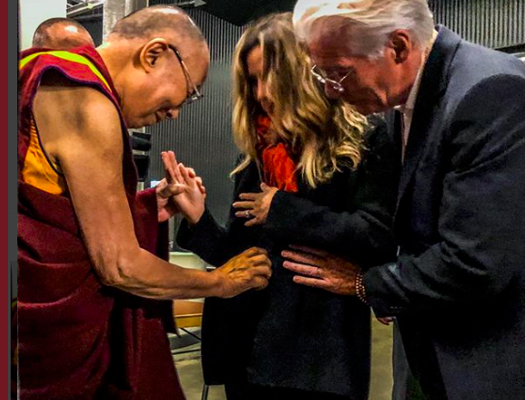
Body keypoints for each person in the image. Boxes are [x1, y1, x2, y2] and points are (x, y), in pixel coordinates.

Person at [282, 1, 525, 400]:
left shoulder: (490, 92)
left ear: (398, 47)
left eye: (339, 71)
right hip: (431, 349)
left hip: (494, 361)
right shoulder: (404, 99)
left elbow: (474, 262)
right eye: (322, 72)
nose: (331, 89)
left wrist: (366, 284)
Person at [14, 5, 272, 400]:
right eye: (186, 95)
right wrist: (221, 282)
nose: (173, 114)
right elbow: (119, 266)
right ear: (153, 54)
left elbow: (56, 199)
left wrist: (147, 206)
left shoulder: (34, 73)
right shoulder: (85, 97)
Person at [166, 12, 399, 400]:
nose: (260, 94)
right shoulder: (260, 156)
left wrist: (284, 209)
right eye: (252, 81)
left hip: (317, 361)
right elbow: (238, 260)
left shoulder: (360, 142)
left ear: (301, 72)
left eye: (267, 77)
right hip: (248, 352)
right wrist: (197, 218)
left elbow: (377, 237)